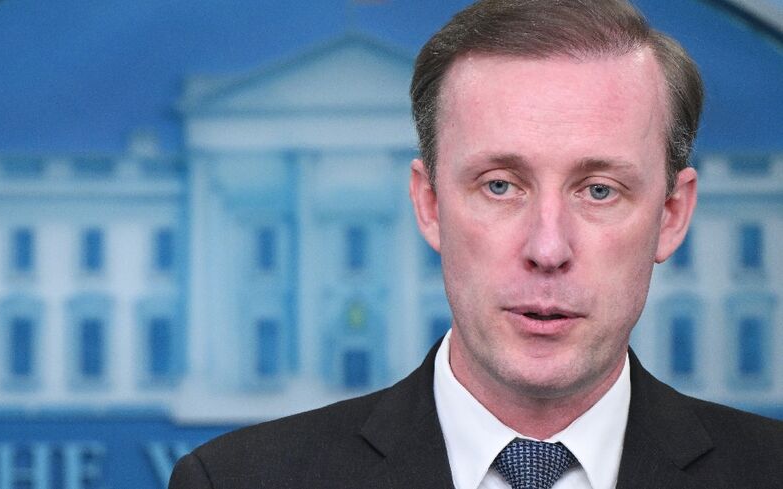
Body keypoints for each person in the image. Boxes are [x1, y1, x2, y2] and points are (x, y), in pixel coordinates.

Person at [170, 1, 783, 487]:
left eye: (598, 190)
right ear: (429, 204)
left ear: (672, 215)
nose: (548, 247)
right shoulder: (237, 482)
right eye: (499, 185)